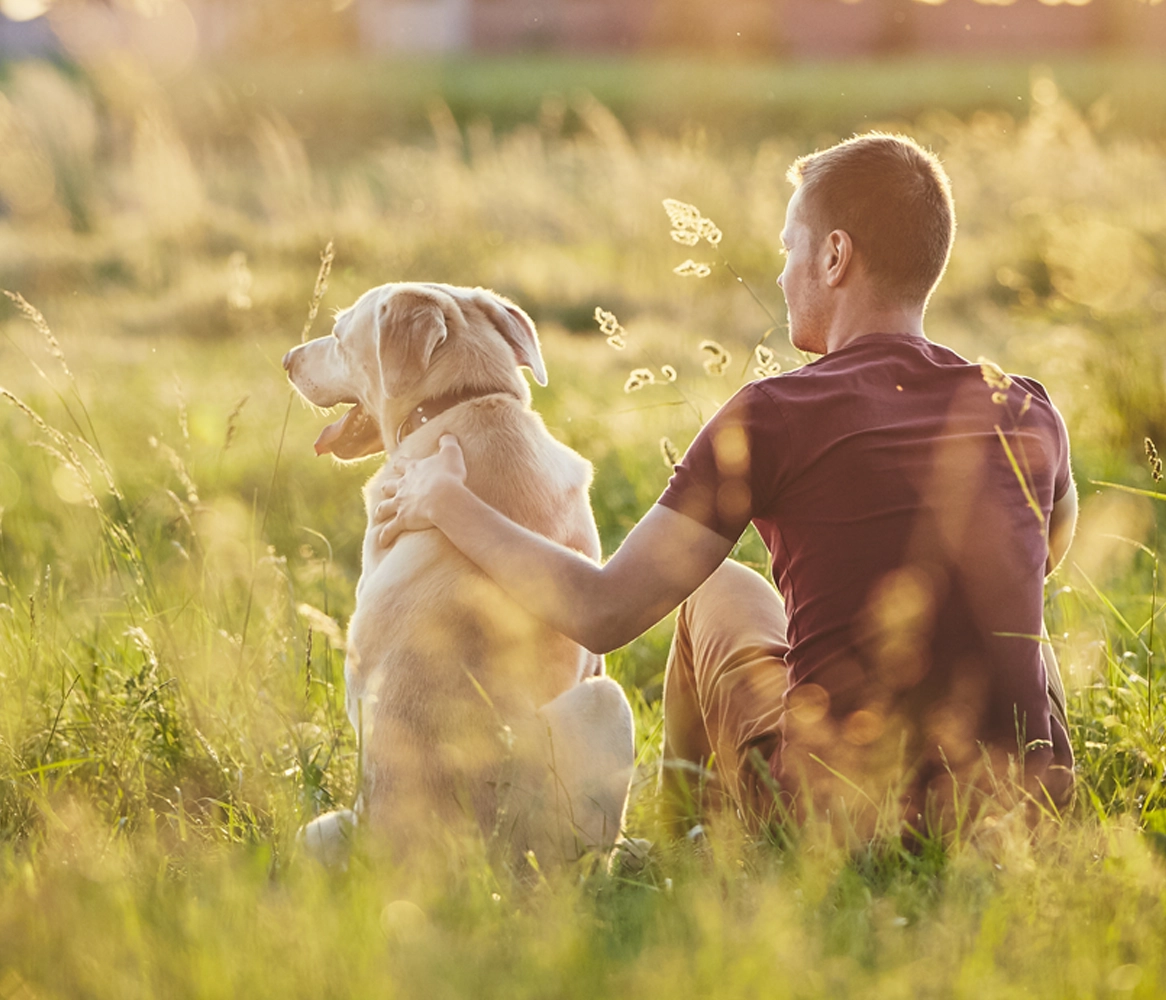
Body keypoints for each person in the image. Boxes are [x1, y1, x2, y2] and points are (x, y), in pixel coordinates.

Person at [373, 132, 1078, 841]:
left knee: (710, 591)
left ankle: (682, 849)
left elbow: (602, 612)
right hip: (1022, 811)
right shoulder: (1029, 408)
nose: (780, 276)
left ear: (834, 256)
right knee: (1018, 617)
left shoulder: (773, 415)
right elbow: (1043, 558)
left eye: (788, 247)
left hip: (840, 813)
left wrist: (446, 501)